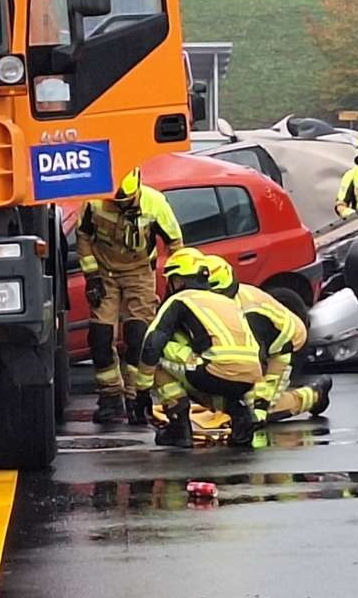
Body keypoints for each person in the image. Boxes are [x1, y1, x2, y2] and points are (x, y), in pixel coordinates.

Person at [76, 166, 184, 423]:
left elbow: (176, 243)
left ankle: (136, 398)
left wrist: (178, 282)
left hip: (139, 275)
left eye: (127, 202)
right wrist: (91, 276)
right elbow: (83, 237)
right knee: (100, 338)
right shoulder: (95, 202)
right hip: (105, 275)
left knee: (138, 336)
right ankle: (110, 399)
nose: (122, 207)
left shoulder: (155, 203)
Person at [133, 248, 262, 448]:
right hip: (250, 375)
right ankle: (240, 414)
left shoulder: (180, 299)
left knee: (158, 356)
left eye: (172, 280)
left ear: (179, 280)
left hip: (214, 369)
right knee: (199, 379)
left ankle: (179, 428)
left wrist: (141, 393)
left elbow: (152, 344)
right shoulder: (227, 301)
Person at [204, 254, 332, 427]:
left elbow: (253, 366)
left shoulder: (247, 316)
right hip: (270, 342)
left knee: (257, 408)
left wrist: (258, 405)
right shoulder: (224, 299)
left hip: (287, 346)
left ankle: (314, 395)